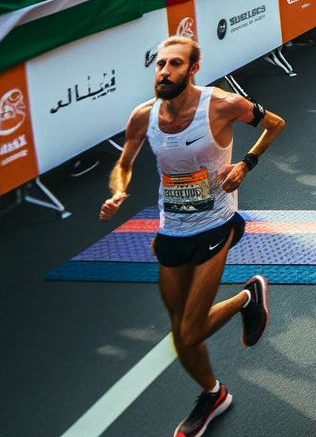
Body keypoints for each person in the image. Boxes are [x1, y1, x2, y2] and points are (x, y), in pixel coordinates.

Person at [100, 36, 285, 437]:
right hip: (172, 227)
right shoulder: (143, 116)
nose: (164, 71)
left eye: (175, 64)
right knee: (179, 333)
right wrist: (118, 190)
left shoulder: (220, 104)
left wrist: (246, 164)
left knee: (190, 330)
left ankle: (244, 299)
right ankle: (213, 393)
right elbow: (124, 164)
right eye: (160, 64)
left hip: (216, 223)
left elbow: (275, 123)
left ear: (193, 69)